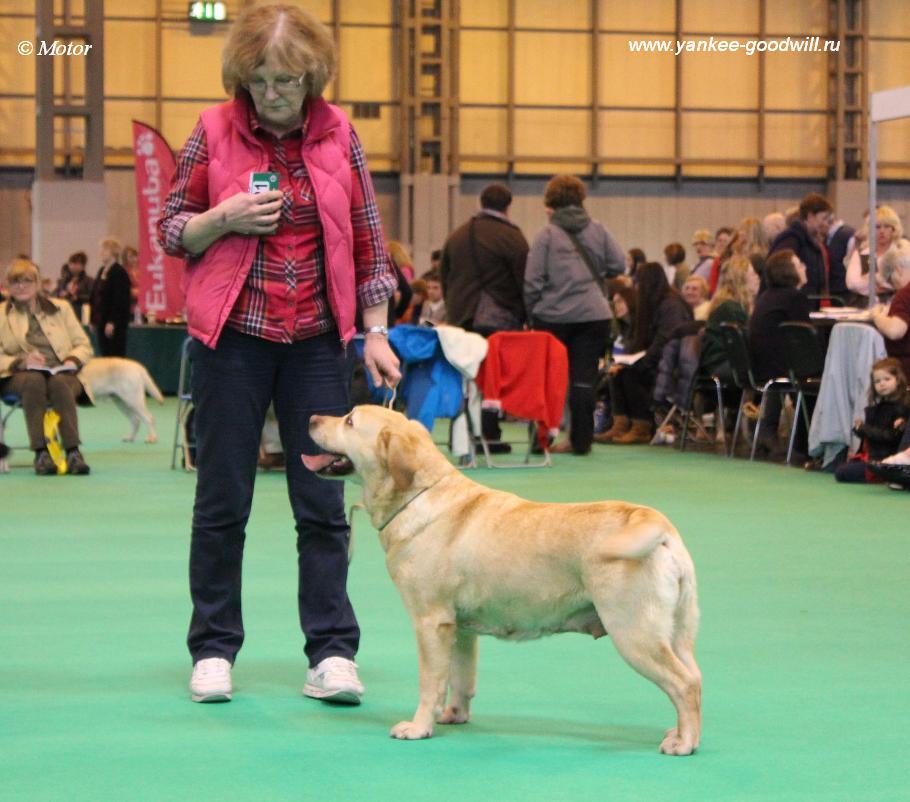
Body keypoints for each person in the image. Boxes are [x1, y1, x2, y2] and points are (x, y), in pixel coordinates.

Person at [157, 3, 400, 706]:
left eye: (287, 81)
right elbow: (173, 229)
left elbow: (367, 237)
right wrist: (221, 218)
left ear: (312, 78)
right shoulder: (212, 129)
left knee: (322, 503)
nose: (272, 94)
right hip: (231, 340)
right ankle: (212, 649)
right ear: (242, 75)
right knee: (221, 499)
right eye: (260, 79)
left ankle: (331, 652)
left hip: (317, 344)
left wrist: (376, 331)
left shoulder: (339, 132)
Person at [524, 174, 625, 454]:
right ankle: (581, 442)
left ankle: (540, 441)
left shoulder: (546, 235)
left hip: (552, 317)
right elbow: (619, 264)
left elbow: (532, 280)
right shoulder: (599, 230)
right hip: (594, 315)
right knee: (584, 380)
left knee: (546, 380)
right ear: (581, 200)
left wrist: (533, 312)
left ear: (550, 203)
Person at [0, 258, 93, 475]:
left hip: (62, 372)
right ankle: (41, 452)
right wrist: (21, 362)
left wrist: (72, 360)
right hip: (17, 375)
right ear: (8, 286)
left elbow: (83, 345)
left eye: (27, 281)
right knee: (34, 380)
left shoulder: (61, 308)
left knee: (59, 384)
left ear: (38, 283)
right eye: (15, 282)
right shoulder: (1, 314)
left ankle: (73, 451)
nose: (21, 286)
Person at [597, 262, 692, 445]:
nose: (637, 288)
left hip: (673, 364)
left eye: (640, 283)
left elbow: (665, 341)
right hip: (658, 359)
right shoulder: (653, 306)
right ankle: (621, 423)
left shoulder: (670, 306)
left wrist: (642, 361)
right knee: (619, 370)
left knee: (632, 372)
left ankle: (642, 426)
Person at [441, 182, 528, 335]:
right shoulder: (513, 237)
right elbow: (524, 279)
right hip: (501, 318)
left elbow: (444, 277)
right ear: (508, 207)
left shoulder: (456, 236)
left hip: (460, 317)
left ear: (481, 203)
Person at [748, 249, 812, 458]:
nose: (804, 267)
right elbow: (804, 337)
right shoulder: (794, 297)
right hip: (780, 366)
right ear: (789, 271)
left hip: (761, 364)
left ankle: (767, 430)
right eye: (799, 264)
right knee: (814, 385)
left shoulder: (767, 296)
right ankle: (803, 445)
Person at [834, 358, 910, 483]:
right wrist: (859, 429)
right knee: (842, 471)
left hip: (886, 457)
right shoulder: (876, 408)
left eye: (887, 379)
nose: (882, 384)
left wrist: (864, 429)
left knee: (843, 472)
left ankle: (882, 474)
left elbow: (889, 437)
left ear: (898, 380)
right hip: (873, 456)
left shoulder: (903, 408)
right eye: (877, 381)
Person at [767, 193, 833, 306]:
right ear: (810, 216)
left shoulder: (809, 242)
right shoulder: (791, 239)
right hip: (790, 306)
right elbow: (781, 274)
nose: (826, 223)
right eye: (824, 218)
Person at [845, 205, 905, 305]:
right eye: (877, 227)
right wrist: (881, 282)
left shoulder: (901, 253)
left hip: (894, 306)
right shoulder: (860, 254)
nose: (882, 231)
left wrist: (867, 277)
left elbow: (903, 283)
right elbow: (852, 284)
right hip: (862, 306)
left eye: (886, 226)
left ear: (894, 229)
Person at [871, 243, 910, 378]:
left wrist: (876, 316)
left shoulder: (905, 294)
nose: (893, 286)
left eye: (890, 279)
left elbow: (895, 331)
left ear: (898, 270)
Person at [90, 238, 133, 356]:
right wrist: (92, 319)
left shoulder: (119, 272)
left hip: (114, 323)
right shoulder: (101, 271)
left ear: (114, 252)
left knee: (115, 353)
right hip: (101, 320)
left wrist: (112, 321)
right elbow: (94, 296)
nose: (101, 252)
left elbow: (120, 300)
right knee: (104, 353)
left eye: (105, 250)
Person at [54, 251, 94, 323]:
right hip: (63, 313)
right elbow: (55, 294)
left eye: (76, 264)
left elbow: (91, 297)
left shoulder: (88, 281)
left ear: (82, 266)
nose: (73, 266)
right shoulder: (62, 280)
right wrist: (60, 294)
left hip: (79, 313)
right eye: (71, 263)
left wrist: (77, 297)